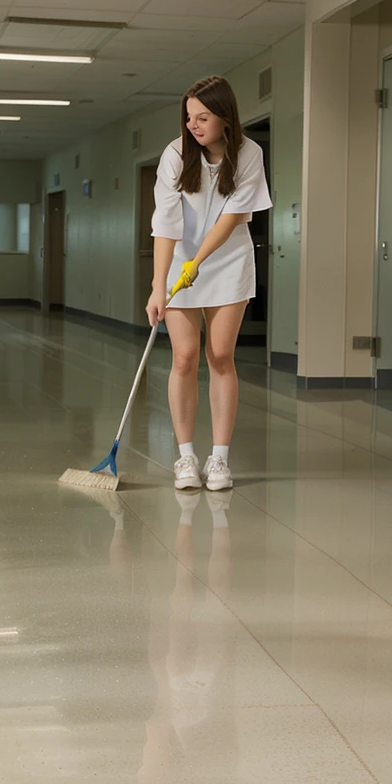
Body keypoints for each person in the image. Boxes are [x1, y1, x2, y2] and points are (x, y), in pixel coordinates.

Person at [147, 76, 272, 492]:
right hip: (180, 260)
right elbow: (165, 223)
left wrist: (198, 262)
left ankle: (219, 459)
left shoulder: (249, 153)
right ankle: (185, 458)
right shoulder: (175, 154)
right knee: (184, 357)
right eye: (189, 117)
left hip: (227, 262)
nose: (194, 125)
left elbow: (233, 216)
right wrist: (158, 284)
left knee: (219, 356)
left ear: (225, 117)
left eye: (202, 117)